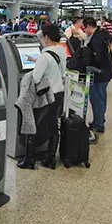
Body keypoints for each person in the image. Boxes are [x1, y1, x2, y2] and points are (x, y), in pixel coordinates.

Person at [19, 24, 67, 170]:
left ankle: (29, 160)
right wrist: (36, 61)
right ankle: (50, 159)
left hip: (46, 97)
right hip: (58, 94)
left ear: (46, 37)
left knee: (32, 125)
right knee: (53, 126)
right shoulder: (61, 52)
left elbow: (35, 78)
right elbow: (60, 72)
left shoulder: (44, 56)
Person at [83, 17, 112, 134]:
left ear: (89, 27)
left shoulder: (96, 40)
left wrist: (87, 62)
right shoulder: (102, 35)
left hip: (99, 73)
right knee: (101, 97)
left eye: (85, 28)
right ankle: (99, 119)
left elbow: (97, 58)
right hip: (107, 71)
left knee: (97, 98)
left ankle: (98, 125)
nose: (84, 31)